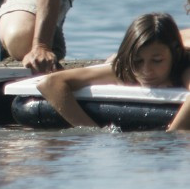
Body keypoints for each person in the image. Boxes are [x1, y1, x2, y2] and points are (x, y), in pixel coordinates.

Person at [35, 13, 190, 129]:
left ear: (175, 53)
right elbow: (49, 83)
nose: (146, 70)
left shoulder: (183, 65)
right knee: (113, 60)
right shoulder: (126, 68)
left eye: (157, 61)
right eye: (138, 61)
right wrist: (92, 130)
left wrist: (172, 136)